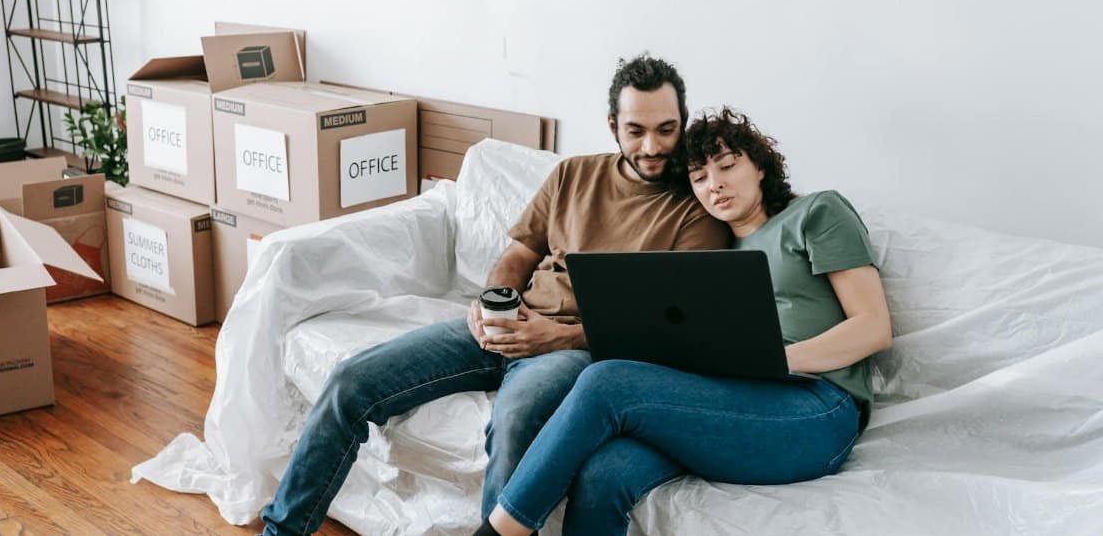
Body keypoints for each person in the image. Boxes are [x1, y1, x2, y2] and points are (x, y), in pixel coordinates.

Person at [259, 55, 729, 535]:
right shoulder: (575, 175)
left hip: (575, 351)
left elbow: (669, 328)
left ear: (683, 123)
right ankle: (282, 529)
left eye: (666, 130)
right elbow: (519, 254)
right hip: (508, 324)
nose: (652, 147)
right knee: (351, 381)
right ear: (613, 125)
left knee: (514, 421)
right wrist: (494, 301)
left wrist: (557, 338)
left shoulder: (698, 212)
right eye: (636, 131)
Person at [478, 106, 894, 536]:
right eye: (699, 178)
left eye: (728, 166)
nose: (715, 184)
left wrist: (771, 360)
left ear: (760, 167)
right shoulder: (712, 256)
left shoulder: (816, 212)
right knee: (604, 470)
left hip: (817, 409)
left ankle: (496, 533)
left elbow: (873, 327)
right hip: (733, 400)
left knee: (607, 382)